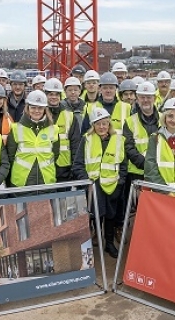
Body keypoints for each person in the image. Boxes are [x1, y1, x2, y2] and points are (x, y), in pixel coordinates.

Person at [73, 107, 128, 258]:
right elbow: (78, 164)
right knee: (94, 215)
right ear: (93, 125)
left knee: (110, 216)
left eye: (105, 123)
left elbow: (123, 165)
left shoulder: (118, 140)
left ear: (109, 124)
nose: (102, 127)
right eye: (98, 124)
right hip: (93, 187)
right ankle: (94, 239)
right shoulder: (87, 139)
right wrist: (86, 182)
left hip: (112, 186)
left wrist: (121, 182)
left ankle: (109, 244)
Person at [7, 90, 61, 188]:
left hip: (46, 181)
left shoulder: (54, 129)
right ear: (27, 108)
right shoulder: (16, 129)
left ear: (45, 109)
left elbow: (55, 154)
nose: (37, 111)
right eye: (33, 107)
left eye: (40, 108)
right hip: (21, 182)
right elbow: (10, 156)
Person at [124, 81, 161, 195]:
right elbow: (129, 147)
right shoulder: (130, 121)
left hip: (160, 172)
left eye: (148, 97)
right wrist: (146, 165)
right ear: (137, 99)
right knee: (138, 208)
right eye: (142, 97)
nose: (145, 100)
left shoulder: (165, 119)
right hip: (137, 172)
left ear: (154, 98)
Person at [48, 78, 83, 182]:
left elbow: (75, 144)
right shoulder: (39, 114)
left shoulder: (70, 116)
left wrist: (74, 167)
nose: (54, 97)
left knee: (63, 197)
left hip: (64, 167)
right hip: (44, 165)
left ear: (60, 95)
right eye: (50, 94)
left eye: (56, 94)